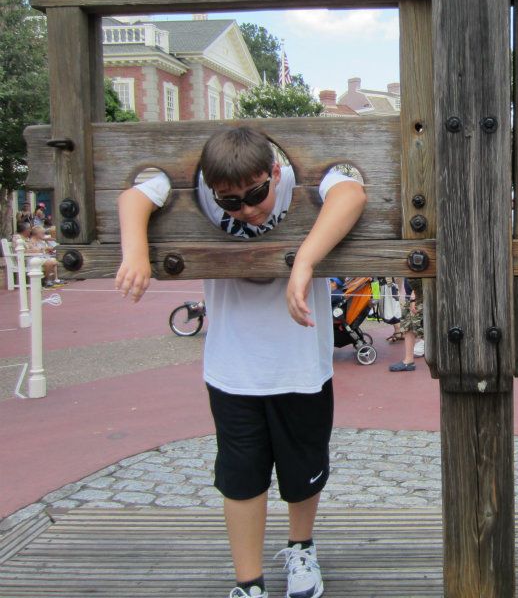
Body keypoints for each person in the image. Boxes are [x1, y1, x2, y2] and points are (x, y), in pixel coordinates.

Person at [116, 126, 366, 598]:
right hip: (232, 367)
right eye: (230, 203)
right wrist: (135, 250)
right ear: (211, 190)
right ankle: (248, 583)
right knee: (240, 476)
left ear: (276, 171)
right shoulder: (200, 189)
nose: (247, 210)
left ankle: (301, 548)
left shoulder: (298, 180)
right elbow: (134, 196)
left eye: (256, 194)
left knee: (303, 468)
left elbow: (352, 192)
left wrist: (305, 260)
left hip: (300, 362)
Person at [389, 278, 423, 372]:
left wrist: (414, 295)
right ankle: (409, 361)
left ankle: (424, 345)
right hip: (412, 293)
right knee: (408, 325)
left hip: (419, 293)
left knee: (422, 325)